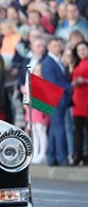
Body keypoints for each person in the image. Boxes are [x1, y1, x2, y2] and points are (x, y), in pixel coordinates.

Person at [41, 37, 73, 166]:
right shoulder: (48, 62)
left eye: (59, 45)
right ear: (48, 47)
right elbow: (52, 82)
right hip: (55, 99)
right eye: (54, 45)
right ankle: (61, 157)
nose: (57, 48)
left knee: (55, 128)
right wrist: (70, 86)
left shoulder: (56, 61)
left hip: (59, 99)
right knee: (59, 129)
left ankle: (52, 156)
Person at [70, 41, 88, 165]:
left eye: (84, 49)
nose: (82, 52)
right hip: (77, 99)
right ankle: (78, 155)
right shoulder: (77, 63)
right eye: (79, 50)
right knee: (78, 130)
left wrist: (85, 80)